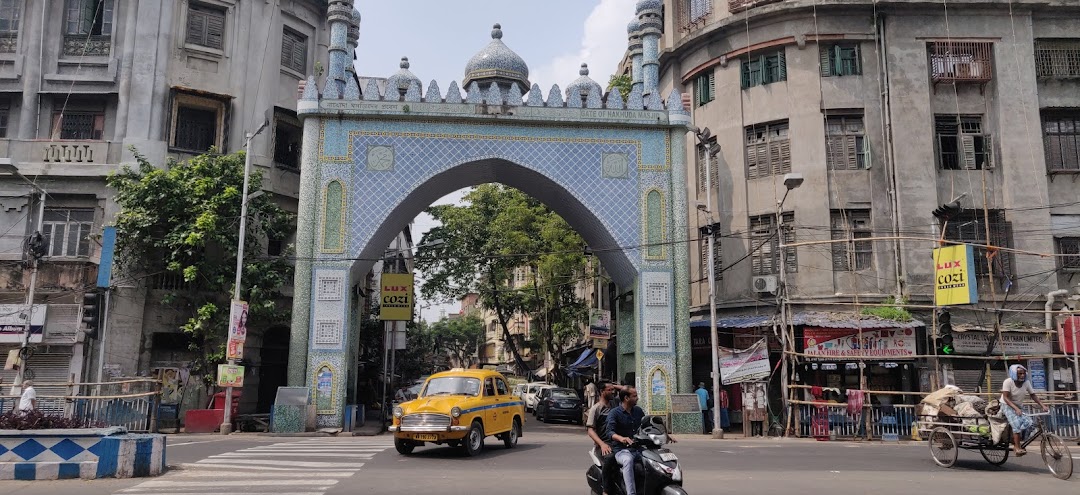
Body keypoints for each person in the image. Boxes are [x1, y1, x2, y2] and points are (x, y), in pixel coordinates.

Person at [606, 387, 676, 495]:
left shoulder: (638, 411)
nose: (637, 398)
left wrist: (666, 435)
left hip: (638, 448)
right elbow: (610, 432)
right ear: (626, 398)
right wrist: (621, 438)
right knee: (628, 460)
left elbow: (647, 426)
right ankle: (631, 493)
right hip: (621, 450)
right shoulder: (614, 413)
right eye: (634, 396)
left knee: (653, 460)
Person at [1000, 364, 1049, 456]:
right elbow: (1005, 398)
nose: (1022, 375)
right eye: (1019, 374)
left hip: (1018, 405)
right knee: (1016, 424)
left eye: (1023, 373)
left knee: (1030, 423)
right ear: (1014, 374)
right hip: (1007, 405)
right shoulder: (1008, 382)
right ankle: (1017, 447)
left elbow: (1033, 395)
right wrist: (1015, 408)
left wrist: (1043, 405)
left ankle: (1016, 439)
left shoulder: (1026, 382)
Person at [585, 380, 623, 495]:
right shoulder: (596, 409)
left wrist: (613, 385)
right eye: (610, 390)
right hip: (604, 444)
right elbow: (590, 430)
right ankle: (606, 490)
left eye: (613, 390)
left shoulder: (615, 404)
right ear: (602, 392)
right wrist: (602, 444)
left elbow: (628, 390)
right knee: (610, 458)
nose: (613, 392)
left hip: (618, 441)